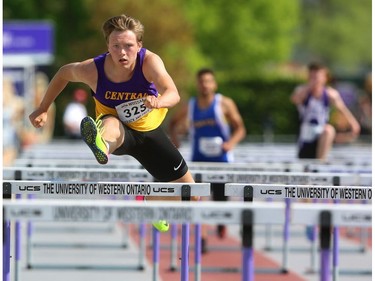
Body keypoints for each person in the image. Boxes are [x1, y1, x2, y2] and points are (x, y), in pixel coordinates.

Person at [29, 14, 196, 232]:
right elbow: (63, 74)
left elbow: (173, 94)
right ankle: (102, 146)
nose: (122, 52)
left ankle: (154, 204)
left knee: (192, 193)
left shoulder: (149, 62)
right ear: (107, 45)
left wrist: (158, 101)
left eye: (128, 46)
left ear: (139, 45)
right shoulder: (93, 69)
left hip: (149, 133)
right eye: (115, 46)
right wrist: (43, 108)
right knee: (111, 123)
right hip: (117, 129)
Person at [169, 68, 246, 253]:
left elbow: (241, 128)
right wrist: (175, 140)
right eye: (201, 81)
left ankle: (220, 223)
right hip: (199, 161)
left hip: (221, 161)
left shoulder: (224, 104)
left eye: (208, 81)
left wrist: (231, 143)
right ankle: (202, 239)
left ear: (214, 84)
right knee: (198, 200)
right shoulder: (191, 106)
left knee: (220, 200)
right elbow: (172, 122)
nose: (205, 85)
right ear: (197, 84)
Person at [290, 62, 360, 161]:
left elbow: (342, 108)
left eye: (317, 76)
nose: (315, 79)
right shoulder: (302, 91)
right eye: (312, 76)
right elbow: (295, 99)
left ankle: (321, 162)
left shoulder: (330, 94)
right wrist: (310, 87)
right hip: (305, 136)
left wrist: (353, 123)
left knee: (328, 130)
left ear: (325, 77)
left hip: (321, 135)